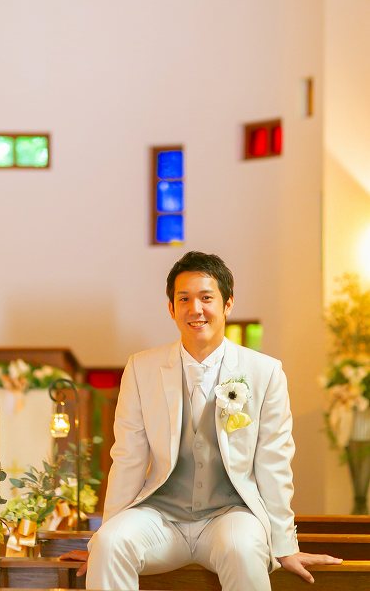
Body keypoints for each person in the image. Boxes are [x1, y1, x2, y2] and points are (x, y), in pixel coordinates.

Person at [68, 251, 341, 590]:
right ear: (171, 308)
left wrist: (285, 546)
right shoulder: (141, 368)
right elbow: (128, 458)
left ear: (228, 304)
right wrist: (101, 542)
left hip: (230, 516)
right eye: (184, 299)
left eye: (206, 298)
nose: (195, 309)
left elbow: (273, 463)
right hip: (161, 518)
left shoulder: (265, 372)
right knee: (110, 544)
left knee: (242, 550)